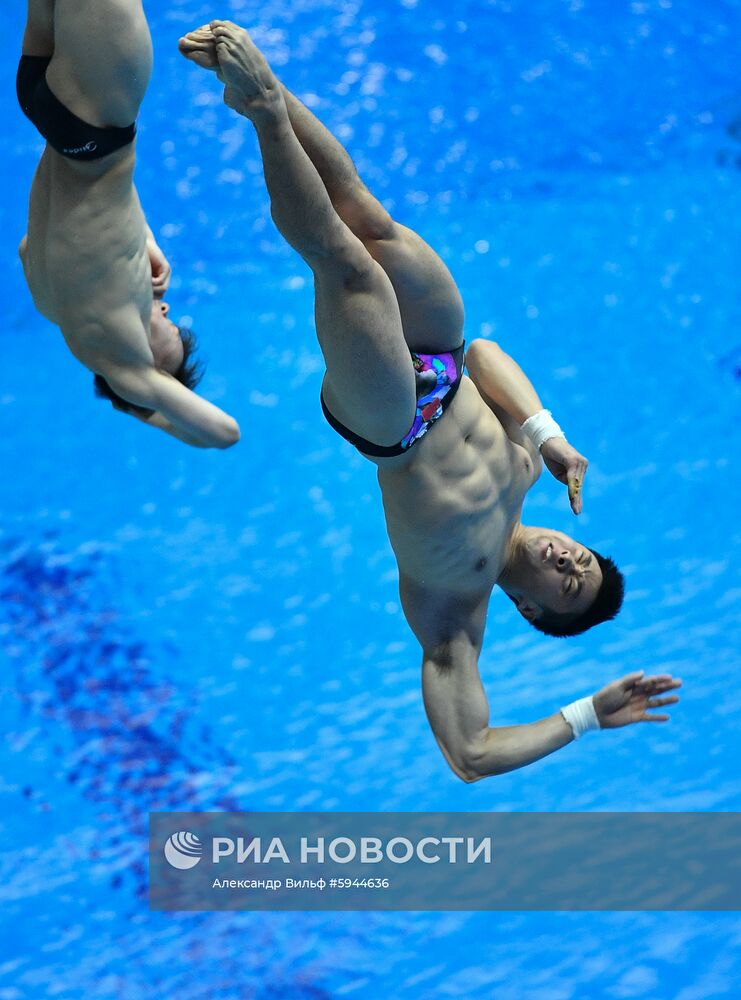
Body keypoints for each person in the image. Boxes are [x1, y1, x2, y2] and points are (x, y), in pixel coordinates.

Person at [179, 21, 681, 782]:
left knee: (345, 267)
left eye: (566, 582)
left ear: (533, 609)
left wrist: (584, 717)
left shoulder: (455, 610)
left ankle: (262, 112)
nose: (565, 559)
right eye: (580, 557)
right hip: (444, 362)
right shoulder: (531, 470)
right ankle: (266, 81)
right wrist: (547, 433)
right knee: (367, 219)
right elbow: (483, 356)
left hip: (392, 421)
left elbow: (469, 756)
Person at [16, 0, 240, 448]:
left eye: (168, 329)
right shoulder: (53, 306)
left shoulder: (125, 363)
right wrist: (143, 242)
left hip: (94, 115)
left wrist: (144, 405)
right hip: (53, 116)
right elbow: (56, 234)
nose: (165, 310)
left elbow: (224, 435)